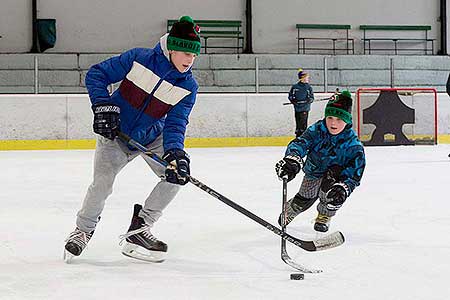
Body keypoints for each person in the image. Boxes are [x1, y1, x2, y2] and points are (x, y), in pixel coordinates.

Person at [64, 16, 201, 262]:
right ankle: (82, 232)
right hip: (115, 133)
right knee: (102, 183)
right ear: (170, 49)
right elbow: (97, 74)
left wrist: (175, 152)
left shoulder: (188, 86)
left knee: (177, 175)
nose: (189, 60)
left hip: (152, 136)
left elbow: (176, 122)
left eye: (193, 55)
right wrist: (103, 106)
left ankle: (140, 228)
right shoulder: (139, 58)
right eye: (184, 53)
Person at [275, 90, 366, 232]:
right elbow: (301, 143)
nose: (333, 123)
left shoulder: (353, 145)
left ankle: (324, 215)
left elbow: (355, 173)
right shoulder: (317, 130)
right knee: (305, 197)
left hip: (336, 176)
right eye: (330, 117)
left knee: (331, 195)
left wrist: (343, 188)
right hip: (314, 170)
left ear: (347, 120)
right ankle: (293, 208)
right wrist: (293, 160)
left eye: (339, 119)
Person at [288, 68, 314, 137]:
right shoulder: (295, 87)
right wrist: (293, 101)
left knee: (303, 124)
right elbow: (290, 96)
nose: (307, 79)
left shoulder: (308, 87)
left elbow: (312, 97)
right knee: (298, 124)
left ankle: (302, 138)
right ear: (301, 78)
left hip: (305, 108)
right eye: (305, 78)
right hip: (297, 108)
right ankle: (298, 136)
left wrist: (309, 100)